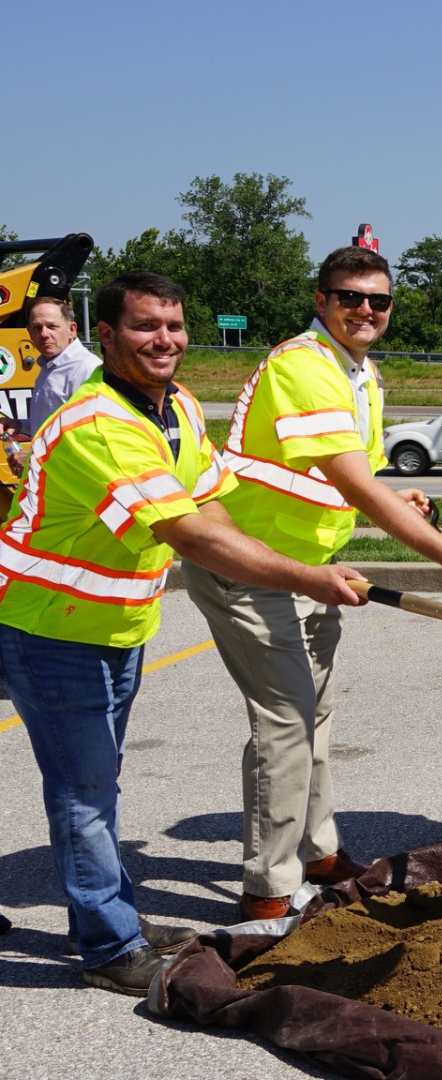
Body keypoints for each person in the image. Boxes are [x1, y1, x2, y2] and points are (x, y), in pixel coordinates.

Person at [0, 271, 364, 993]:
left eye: (173, 324)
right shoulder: (97, 424)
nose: (164, 339)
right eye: (144, 326)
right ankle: (108, 947)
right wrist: (305, 577)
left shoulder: (179, 407)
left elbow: (213, 504)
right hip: (47, 628)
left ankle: (106, 916)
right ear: (105, 336)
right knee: (84, 790)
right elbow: (187, 532)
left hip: (115, 624)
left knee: (98, 785)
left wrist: (292, 563)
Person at [184, 246, 442, 921]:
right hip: (251, 564)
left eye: (378, 300)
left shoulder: (363, 376)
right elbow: (353, 481)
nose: (365, 310)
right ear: (321, 301)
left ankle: (319, 853)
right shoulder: (304, 366)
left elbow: (352, 478)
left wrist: (397, 497)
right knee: (286, 723)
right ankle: (268, 892)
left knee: (313, 714)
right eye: (349, 297)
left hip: (313, 572)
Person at [23, 297, 102, 434]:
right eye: (37, 328)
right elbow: (47, 425)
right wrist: (18, 425)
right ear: (29, 333)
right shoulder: (50, 366)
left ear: (72, 329)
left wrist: (36, 455)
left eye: (52, 326)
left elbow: (90, 433)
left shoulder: (86, 369)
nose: (44, 334)